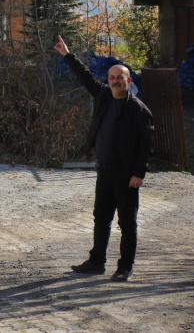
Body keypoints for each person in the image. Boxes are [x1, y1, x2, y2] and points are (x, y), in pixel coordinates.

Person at [54, 35, 154, 282]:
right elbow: (85, 76)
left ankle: (125, 267)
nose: (116, 82)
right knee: (101, 218)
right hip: (105, 171)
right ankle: (97, 261)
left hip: (127, 176)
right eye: (112, 78)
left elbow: (146, 145)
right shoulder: (104, 97)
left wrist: (139, 174)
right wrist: (67, 55)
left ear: (128, 81)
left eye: (120, 78)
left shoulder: (139, 110)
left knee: (127, 223)